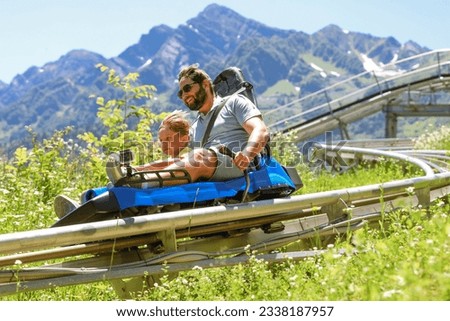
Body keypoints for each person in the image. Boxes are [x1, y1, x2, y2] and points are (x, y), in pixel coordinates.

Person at [122, 64, 270, 186]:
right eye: (181, 93)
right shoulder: (194, 127)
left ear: (205, 84)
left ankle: (146, 184)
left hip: (241, 165)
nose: (184, 95)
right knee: (183, 159)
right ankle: (134, 175)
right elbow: (180, 160)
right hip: (211, 166)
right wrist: (142, 167)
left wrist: (247, 153)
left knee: (199, 156)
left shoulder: (234, 102)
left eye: (187, 88)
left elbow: (260, 130)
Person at [54, 110, 191, 218]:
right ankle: (82, 208)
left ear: (184, 138)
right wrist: (138, 168)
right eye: (161, 140)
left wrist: (140, 169)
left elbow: (166, 164)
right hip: (162, 189)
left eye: (168, 138)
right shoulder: (175, 158)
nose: (163, 144)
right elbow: (162, 164)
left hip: (170, 193)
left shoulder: (191, 155)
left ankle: (83, 212)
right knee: (111, 189)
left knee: (124, 189)